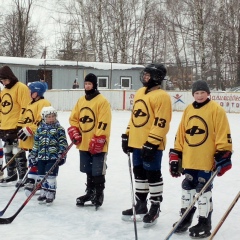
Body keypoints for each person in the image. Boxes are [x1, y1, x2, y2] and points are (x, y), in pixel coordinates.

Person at [169, 80, 232, 238]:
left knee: (203, 191)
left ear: (208, 93)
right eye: (196, 93)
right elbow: (181, 132)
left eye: (203, 92)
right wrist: (176, 152)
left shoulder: (216, 110)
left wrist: (223, 152)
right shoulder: (188, 109)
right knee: (187, 187)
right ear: (193, 95)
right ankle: (185, 218)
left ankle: (204, 222)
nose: (200, 95)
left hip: (206, 159)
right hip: (190, 158)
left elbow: (223, 133)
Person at [121, 63, 172, 228]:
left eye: (148, 75)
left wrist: (152, 142)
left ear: (156, 77)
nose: (145, 77)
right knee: (139, 173)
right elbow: (135, 117)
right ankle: (141, 204)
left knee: (153, 174)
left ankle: (155, 207)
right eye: (145, 74)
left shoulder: (161, 96)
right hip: (136, 142)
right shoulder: (140, 93)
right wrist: (127, 135)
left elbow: (162, 122)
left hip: (152, 145)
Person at [68, 73, 111, 209]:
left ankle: (99, 193)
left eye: (90, 84)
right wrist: (75, 130)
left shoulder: (101, 101)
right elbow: (74, 118)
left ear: (94, 85)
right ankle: (90, 192)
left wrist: (98, 137)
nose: (87, 86)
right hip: (84, 142)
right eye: (86, 84)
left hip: (96, 142)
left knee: (97, 169)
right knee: (88, 169)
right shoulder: (81, 101)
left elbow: (104, 121)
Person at [28, 106, 68, 205]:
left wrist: (61, 154)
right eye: (48, 117)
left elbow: (63, 143)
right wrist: (33, 154)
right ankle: (44, 192)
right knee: (41, 176)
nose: (51, 118)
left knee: (50, 177)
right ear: (44, 118)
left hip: (53, 157)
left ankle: (51, 193)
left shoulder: (59, 129)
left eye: (53, 116)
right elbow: (36, 144)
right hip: (41, 157)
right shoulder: (40, 129)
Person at [17, 81, 51, 194]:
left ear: (37, 92)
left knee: (38, 160)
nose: (29, 92)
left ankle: (37, 180)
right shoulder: (30, 103)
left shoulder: (44, 103)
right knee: (32, 158)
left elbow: (42, 120)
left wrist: (30, 129)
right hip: (29, 138)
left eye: (31, 90)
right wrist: (20, 127)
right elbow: (25, 117)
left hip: (39, 138)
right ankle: (33, 179)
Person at [0, 65, 31, 186]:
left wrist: (20, 124)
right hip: (5, 125)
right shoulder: (4, 91)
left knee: (18, 150)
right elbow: (2, 108)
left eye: (5, 79)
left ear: (10, 77)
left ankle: (22, 175)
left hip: (16, 125)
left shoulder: (21, 88)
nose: (3, 82)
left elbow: (25, 107)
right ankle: (11, 174)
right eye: (1, 81)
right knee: (7, 150)